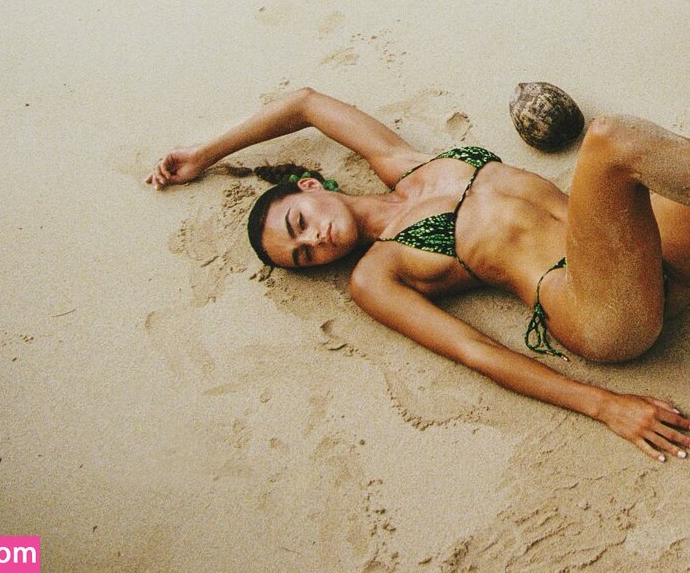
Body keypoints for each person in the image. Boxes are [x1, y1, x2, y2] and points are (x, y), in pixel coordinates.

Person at [148, 86, 690, 461]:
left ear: (311, 188)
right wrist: (605, 406)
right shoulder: (376, 275)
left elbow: (305, 103)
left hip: (639, 247)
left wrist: (205, 153)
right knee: (610, 138)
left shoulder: (405, 162)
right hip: (595, 308)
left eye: (299, 223)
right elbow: (475, 351)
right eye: (304, 255)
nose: (313, 241)